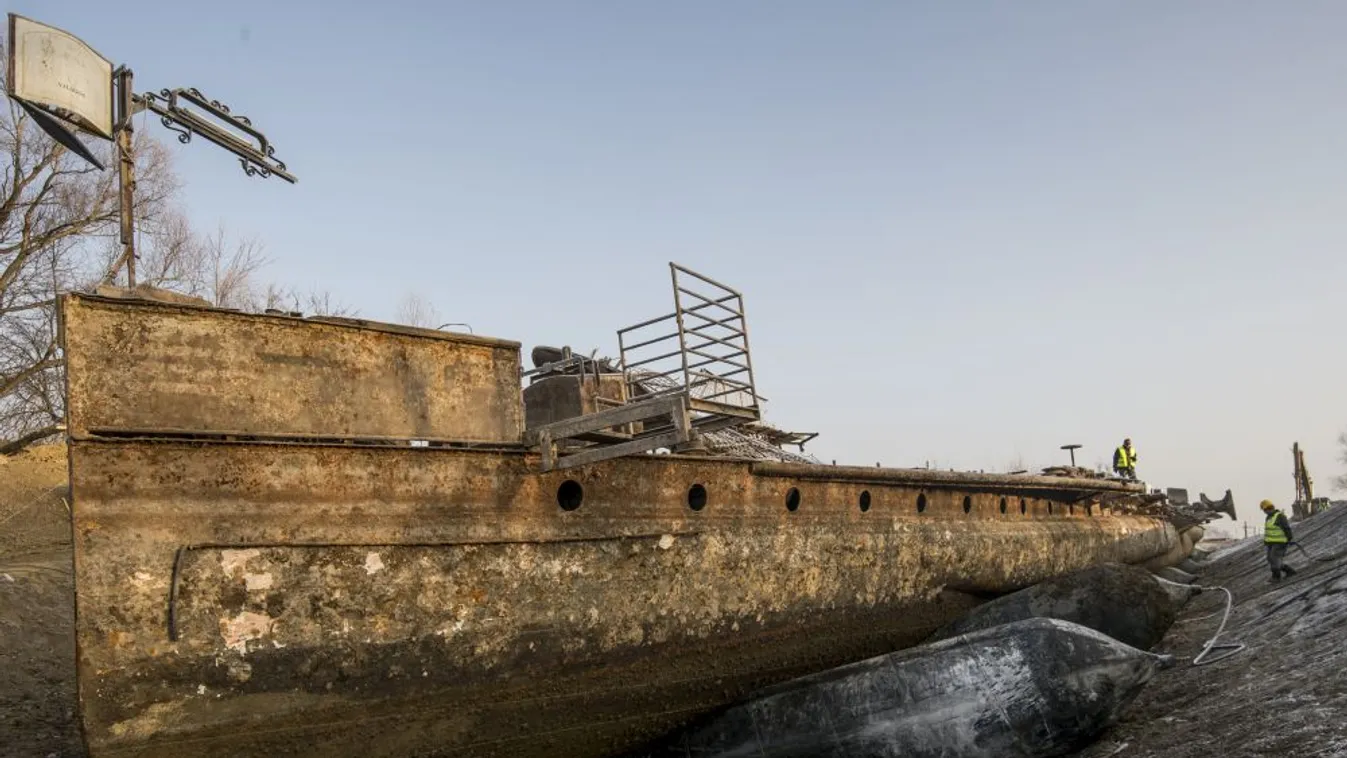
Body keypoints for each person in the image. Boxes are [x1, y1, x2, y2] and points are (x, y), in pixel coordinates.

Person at [1260, 499, 1298, 582]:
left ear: (1269, 508)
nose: (1264, 512)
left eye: (1265, 510)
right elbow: (1269, 531)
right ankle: (1289, 571)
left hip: (1280, 542)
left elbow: (1286, 528)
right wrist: (1266, 541)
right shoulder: (1269, 517)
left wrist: (1289, 538)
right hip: (1271, 542)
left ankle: (1276, 577)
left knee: (1274, 558)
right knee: (1270, 558)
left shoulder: (1280, 516)